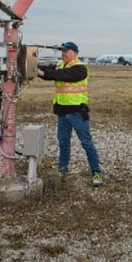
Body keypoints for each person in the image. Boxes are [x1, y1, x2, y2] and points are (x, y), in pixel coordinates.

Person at [38, 42, 103, 187]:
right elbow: (48, 70)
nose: (63, 54)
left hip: (77, 112)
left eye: (66, 51)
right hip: (62, 113)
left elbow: (62, 75)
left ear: (75, 53)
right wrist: (32, 67)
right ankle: (63, 169)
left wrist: (44, 73)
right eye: (62, 51)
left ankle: (96, 172)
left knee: (86, 144)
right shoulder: (61, 65)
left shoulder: (80, 68)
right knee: (63, 143)